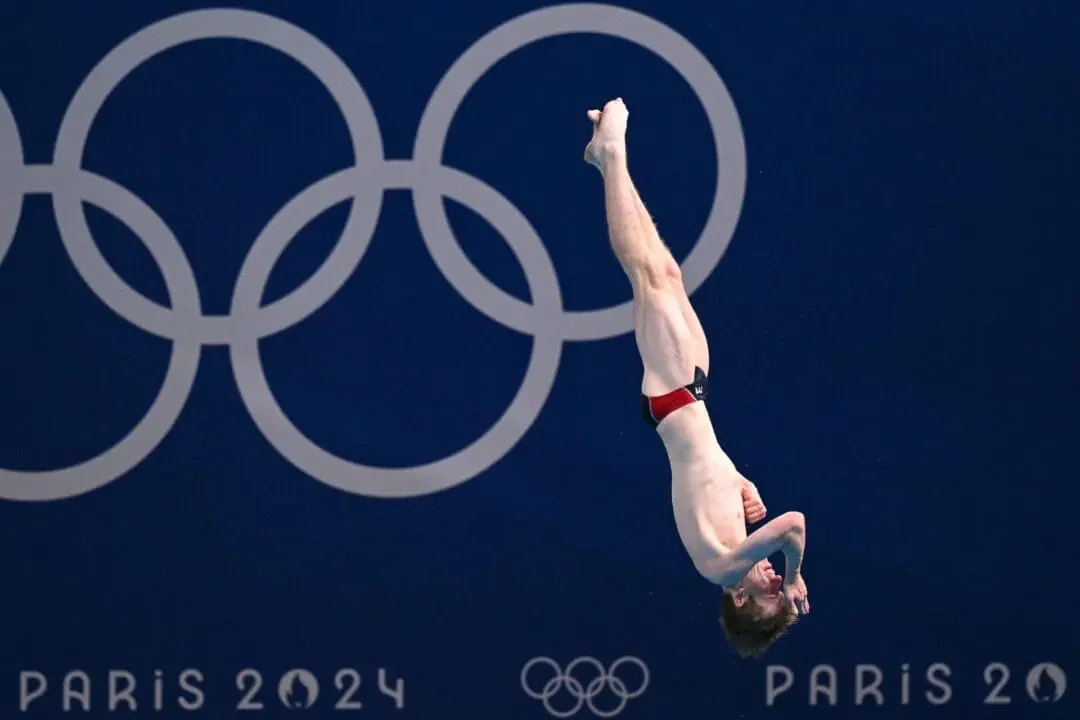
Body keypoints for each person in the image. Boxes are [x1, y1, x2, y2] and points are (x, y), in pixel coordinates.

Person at [584, 98, 810, 659]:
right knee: (663, 271)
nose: (776, 585)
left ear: (738, 602)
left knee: (645, 274)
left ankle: (613, 153)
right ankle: (605, 159)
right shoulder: (731, 547)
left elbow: (793, 526)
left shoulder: (721, 567)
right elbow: (707, 469)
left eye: (769, 597)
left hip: (672, 398)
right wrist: (741, 484)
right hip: (692, 390)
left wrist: (798, 572)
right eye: (783, 592)